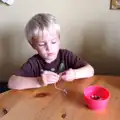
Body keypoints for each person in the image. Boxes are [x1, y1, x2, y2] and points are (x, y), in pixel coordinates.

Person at [8, 13, 94, 90]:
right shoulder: (34, 63)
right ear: (33, 46)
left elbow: (90, 70)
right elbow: (12, 83)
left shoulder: (66, 55)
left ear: (59, 40)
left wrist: (75, 74)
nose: (49, 48)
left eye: (53, 42)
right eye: (42, 44)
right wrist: (39, 81)